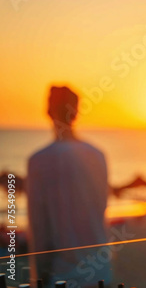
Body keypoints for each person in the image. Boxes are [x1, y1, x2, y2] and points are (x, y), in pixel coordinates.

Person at [27, 86, 111, 287]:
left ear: (48, 112)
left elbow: (38, 227)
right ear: (76, 112)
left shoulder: (39, 160)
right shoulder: (97, 155)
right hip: (101, 270)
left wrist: (38, 275)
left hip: (61, 275)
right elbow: (102, 208)